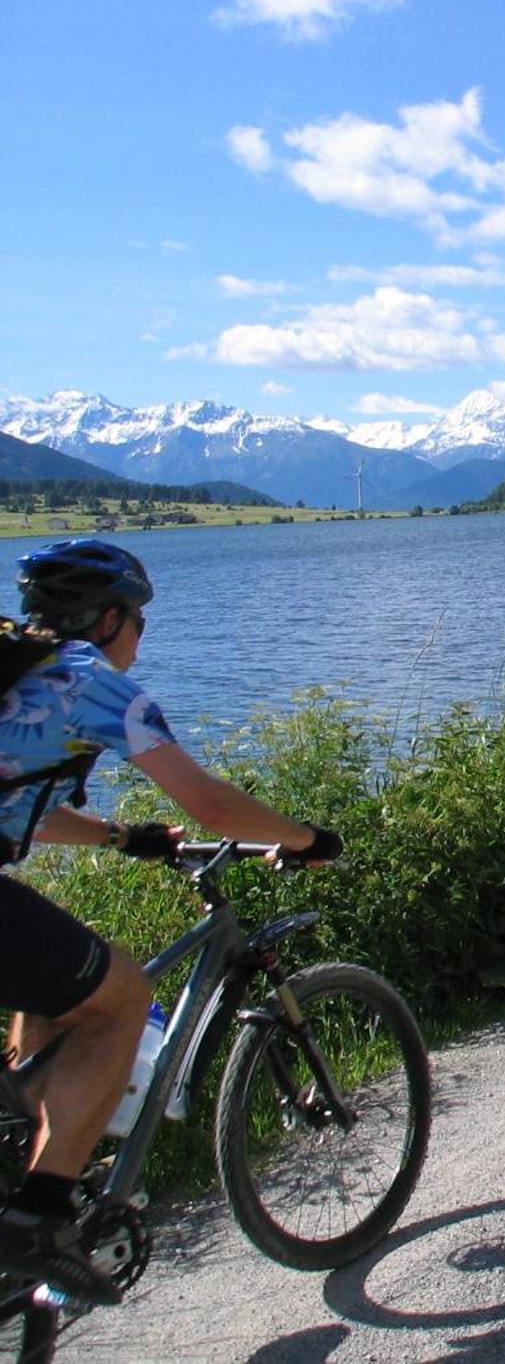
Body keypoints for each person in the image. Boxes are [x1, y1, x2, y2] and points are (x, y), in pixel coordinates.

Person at [0, 540, 342, 1304]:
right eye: (140, 620)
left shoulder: (14, 667)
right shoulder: (90, 684)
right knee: (118, 997)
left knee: (60, 990)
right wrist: (307, 839)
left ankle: (35, 1139)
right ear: (112, 618)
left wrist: (125, 836)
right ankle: (40, 1217)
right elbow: (214, 806)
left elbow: (25, 807)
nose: (141, 637)